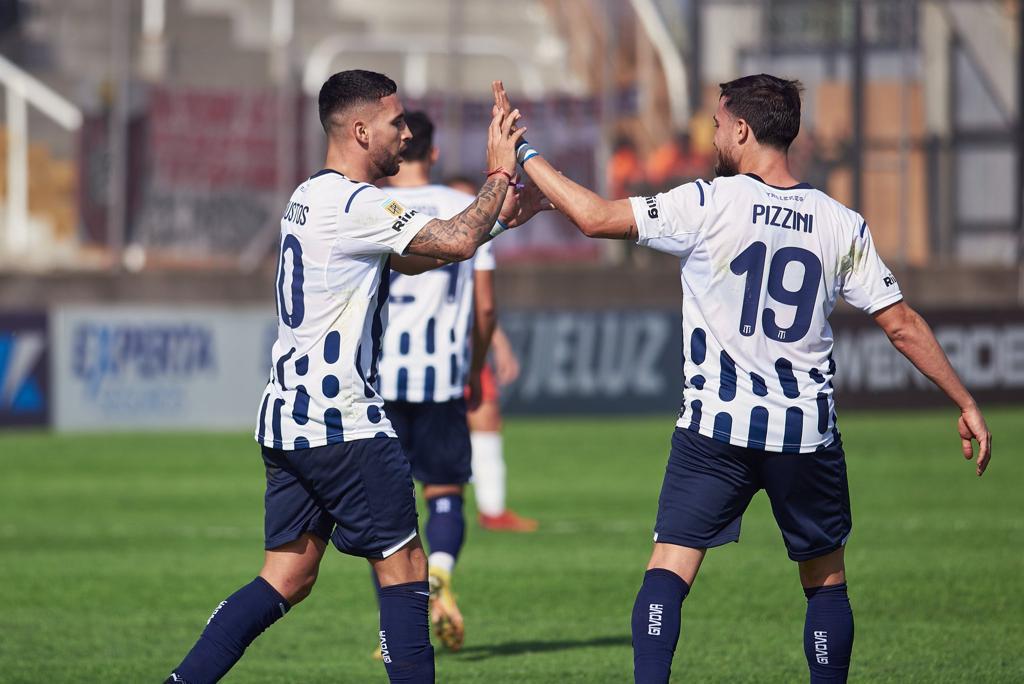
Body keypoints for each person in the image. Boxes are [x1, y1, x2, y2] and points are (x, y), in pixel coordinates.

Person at [495, 74, 992, 683]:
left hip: (716, 428)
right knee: (825, 582)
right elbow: (902, 325)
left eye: (717, 123)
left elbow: (596, 218)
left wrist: (524, 151)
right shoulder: (841, 222)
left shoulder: (711, 202)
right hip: (804, 434)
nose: (712, 134)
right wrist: (965, 401)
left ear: (742, 130)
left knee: (668, 570)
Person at [164, 70, 527, 684]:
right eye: (396, 122)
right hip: (344, 425)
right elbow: (457, 241)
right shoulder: (359, 203)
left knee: (286, 577)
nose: (406, 134)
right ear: (360, 130)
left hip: (288, 420)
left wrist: (499, 220)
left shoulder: (310, 196)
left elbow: (415, 257)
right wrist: (498, 173)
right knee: (407, 571)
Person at [376, 112, 547, 652]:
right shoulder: (466, 207)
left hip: (379, 379)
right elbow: (486, 308)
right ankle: (441, 573)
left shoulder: (370, 204)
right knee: (445, 492)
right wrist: (475, 370)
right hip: (441, 378)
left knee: (386, 513)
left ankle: (393, 630)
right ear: (434, 151)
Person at [446, 176, 540, 533]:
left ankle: (492, 509)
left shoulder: (473, 243)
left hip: (465, 345)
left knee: (485, 416)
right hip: (431, 349)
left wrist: (498, 344)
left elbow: (480, 304)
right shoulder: (431, 237)